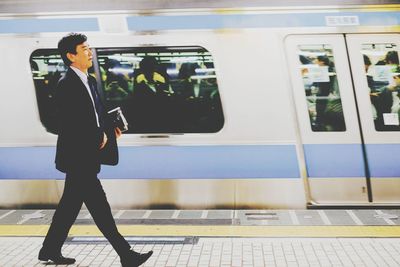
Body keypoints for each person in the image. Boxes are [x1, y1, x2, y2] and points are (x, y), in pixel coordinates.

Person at [38, 33, 153, 266]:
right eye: (84, 49)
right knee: (100, 208)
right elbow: (69, 123)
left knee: (69, 207)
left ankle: (49, 249)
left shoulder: (88, 80)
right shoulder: (66, 85)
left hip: (86, 156)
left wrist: (110, 130)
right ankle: (126, 254)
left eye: (89, 48)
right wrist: (97, 134)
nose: (89, 52)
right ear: (71, 56)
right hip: (78, 157)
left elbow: (95, 115)